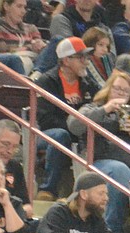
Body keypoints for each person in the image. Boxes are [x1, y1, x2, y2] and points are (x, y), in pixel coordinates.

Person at [34, 36, 97, 202]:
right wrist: (75, 128)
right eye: (81, 57)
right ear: (66, 60)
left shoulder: (87, 82)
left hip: (77, 133)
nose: (86, 61)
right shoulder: (47, 81)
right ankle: (47, 189)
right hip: (46, 134)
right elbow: (46, 119)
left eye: (86, 57)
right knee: (61, 135)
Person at [34, 171, 113, 233]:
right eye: (101, 193)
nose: (106, 198)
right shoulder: (58, 213)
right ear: (83, 194)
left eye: (106, 194)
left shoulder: (97, 221)